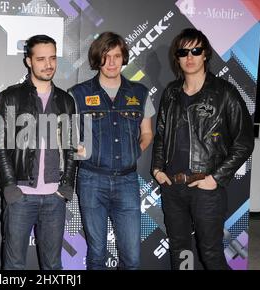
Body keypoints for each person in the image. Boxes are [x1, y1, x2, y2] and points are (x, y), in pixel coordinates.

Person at [151, 28, 254, 270]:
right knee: (181, 251)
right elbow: (161, 136)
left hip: (205, 191)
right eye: (183, 51)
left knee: (210, 254)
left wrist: (215, 178)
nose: (190, 56)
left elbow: (244, 141)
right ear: (177, 57)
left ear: (205, 54)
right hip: (173, 188)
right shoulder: (171, 92)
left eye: (196, 50)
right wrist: (157, 169)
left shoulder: (224, 93)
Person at [68, 32, 155, 270]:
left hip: (127, 181)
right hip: (91, 180)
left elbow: (147, 133)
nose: (111, 62)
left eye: (117, 56)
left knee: (132, 258)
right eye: (105, 57)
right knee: (96, 253)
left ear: (124, 58)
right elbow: (68, 137)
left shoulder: (139, 93)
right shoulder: (78, 94)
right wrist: (78, 150)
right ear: (97, 59)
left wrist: (134, 152)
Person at [0, 35, 77, 270]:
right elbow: (0, 145)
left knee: (53, 265)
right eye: (41, 59)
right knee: (14, 266)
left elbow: (72, 147)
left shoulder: (66, 100)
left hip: (55, 198)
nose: (48, 64)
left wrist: (67, 186)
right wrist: (10, 186)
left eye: (52, 58)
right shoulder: (11, 96)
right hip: (21, 196)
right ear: (28, 61)